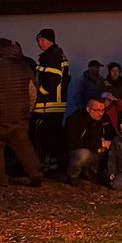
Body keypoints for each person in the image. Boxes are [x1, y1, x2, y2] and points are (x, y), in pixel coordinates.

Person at [0, 38, 43, 187]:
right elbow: (33, 91)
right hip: (21, 116)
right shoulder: (24, 66)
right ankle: (35, 173)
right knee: (23, 145)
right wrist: (29, 110)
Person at [32, 28, 71, 174]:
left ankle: (53, 167)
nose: (40, 43)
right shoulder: (55, 55)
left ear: (51, 40)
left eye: (42, 40)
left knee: (47, 137)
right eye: (38, 40)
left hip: (49, 104)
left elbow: (52, 80)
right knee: (51, 137)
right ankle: (53, 166)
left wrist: (39, 94)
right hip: (53, 104)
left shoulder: (52, 56)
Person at [64, 97, 114, 184]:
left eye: (102, 110)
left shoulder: (105, 119)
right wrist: (98, 143)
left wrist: (108, 143)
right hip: (78, 151)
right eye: (97, 110)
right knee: (83, 154)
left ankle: (97, 173)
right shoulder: (75, 120)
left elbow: (112, 134)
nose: (100, 113)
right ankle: (73, 175)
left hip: (98, 151)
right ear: (88, 109)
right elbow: (72, 143)